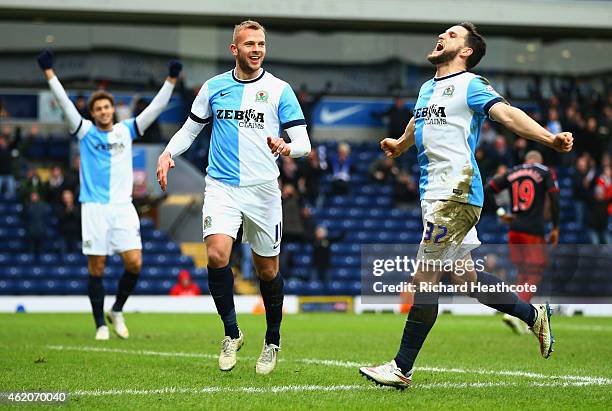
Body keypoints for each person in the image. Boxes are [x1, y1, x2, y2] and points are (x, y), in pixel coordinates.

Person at [359, 22, 573, 389]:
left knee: (424, 278)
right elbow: (418, 122)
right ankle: (532, 313)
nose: (442, 36)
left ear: (466, 52)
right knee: (466, 279)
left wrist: (548, 138)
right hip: (434, 194)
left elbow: (507, 114)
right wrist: (400, 143)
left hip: (456, 192)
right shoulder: (428, 88)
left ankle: (401, 367)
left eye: (453, 35)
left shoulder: (472, 84)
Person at [156, 20, 311, 375]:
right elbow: (191, 129)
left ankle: (272, 340)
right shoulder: (213, 87)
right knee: (216, 254)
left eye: (261, 44)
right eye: (249, 44)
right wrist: (168, 153)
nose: (256, 49)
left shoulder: (279, 90)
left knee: (267, 269)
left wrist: (287, 147)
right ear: (234, 49)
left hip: (263, 191)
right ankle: (232, 333)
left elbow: (304, 143)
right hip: (222, 186)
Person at [37, 49, 182, 340]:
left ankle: (116, 309)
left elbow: (153, 110)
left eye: (107, 107)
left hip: (123, 207)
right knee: (98, 266)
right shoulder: (85, 131)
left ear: (113, 109)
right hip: (93, 207)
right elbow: (65, 104)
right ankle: (100, 325)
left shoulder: (126, 130)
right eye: (98, 108)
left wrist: (171, 80)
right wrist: (50, 74)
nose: (104, 111)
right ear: (92, 113)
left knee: (135, 263)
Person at [486, 150, 560, 334]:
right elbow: (554, 197)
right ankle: (515, 313)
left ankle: (514, 309)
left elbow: (488, 189)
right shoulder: (544, 171)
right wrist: (556, 227)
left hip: (514, 230)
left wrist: (501, 213)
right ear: (539, 160)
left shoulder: (513, 171)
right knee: (535, 273)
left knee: (523, 273)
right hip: (533, 230)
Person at [56, 189, 81, 254]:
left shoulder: (77, 207)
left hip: (74, 235)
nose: (67, 200)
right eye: (65, 198)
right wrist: (67, 209)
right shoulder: (59, 207)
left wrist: (71, 209)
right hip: (63, 235)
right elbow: (60, 218)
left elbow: (78, 217)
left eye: (69, 198)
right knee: (63, 254)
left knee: (75, 256)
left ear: (72, 198)